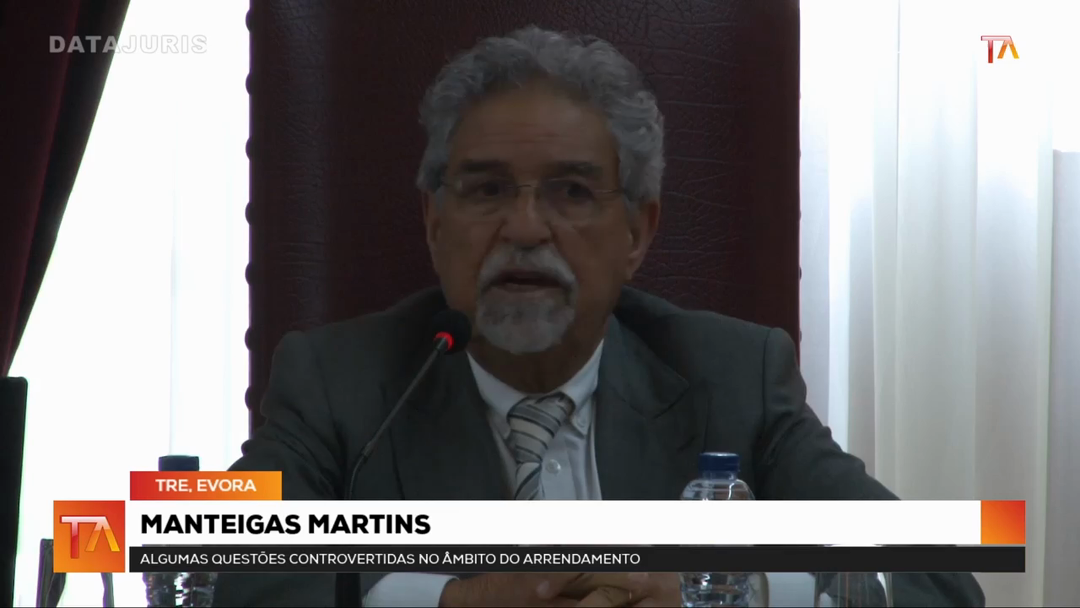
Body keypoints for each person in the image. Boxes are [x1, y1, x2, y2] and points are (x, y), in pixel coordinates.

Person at [213, 26, 985, 608]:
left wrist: (724, 590)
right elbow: (209, 566)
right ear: (434, 223)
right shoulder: (337, 383)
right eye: (487, 190)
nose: (524, 228)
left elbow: (938, 575)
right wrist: (442, 600)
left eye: (572, 192)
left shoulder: (734, 377)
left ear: (637, 233)